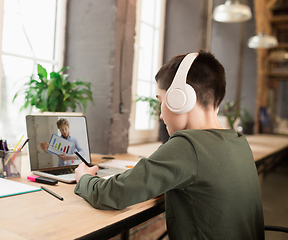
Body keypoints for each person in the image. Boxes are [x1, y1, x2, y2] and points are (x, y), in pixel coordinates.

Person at [74, 51, 264, 240]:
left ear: (180, 99)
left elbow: (113, 193)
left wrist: (84, 178)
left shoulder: (187, 146)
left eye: (161, 101)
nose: (161, 115)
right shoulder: (238, 141)